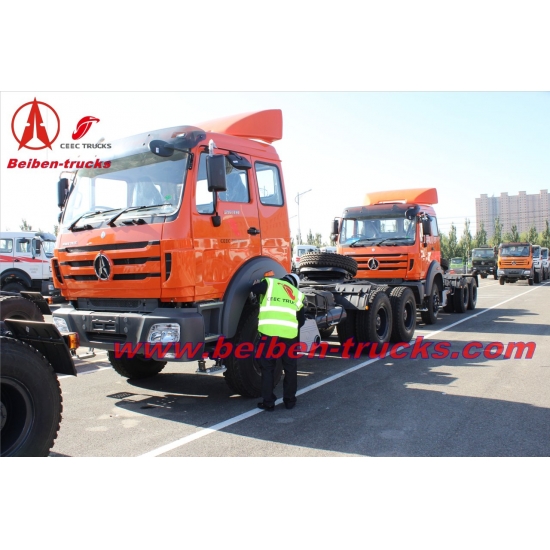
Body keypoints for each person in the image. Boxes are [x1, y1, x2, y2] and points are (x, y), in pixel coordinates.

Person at [251, 273, 306, 412]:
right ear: (295, 283)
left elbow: (256, 290)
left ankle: (268, 402)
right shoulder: (297, 294)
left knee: (267, 368)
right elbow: (301, 320)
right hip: (289, 336)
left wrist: (255, 284)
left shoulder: (271, 284)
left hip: (269, 334)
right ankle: (290, 401)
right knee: (290, 368)